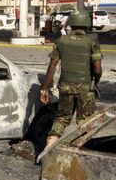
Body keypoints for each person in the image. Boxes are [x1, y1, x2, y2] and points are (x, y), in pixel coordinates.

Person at [38, 10, 102, 157]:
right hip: (85, 89)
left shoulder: (61, 41)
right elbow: (97, 69)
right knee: (85, 123)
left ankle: (47, 151)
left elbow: (52, 66)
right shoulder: (92, 43)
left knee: (62, 118)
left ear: (71, 24)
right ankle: (80, 155)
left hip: (65, 87)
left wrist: (45, 88)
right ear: (87, 24)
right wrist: (96, 82)